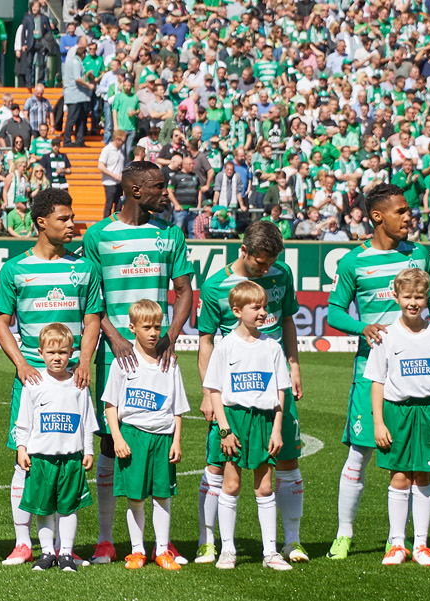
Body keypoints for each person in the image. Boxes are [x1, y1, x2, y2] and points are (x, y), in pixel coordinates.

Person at [324, 184, 430, 560]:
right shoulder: (352, 262)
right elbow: (333, 312)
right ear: (378, 216)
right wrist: (360, 327)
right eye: (401, 212)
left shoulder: (419, 254)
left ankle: (411, 540)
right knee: (361, 453)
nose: (409, 217)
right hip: (371, 372)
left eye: (409, 211)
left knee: (415, 458)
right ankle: (345, 533)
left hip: (415, 375)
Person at [82, 160, 195, 564]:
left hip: (158, 356)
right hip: (115, 356)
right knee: (114, 444)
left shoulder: (169, 235)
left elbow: (184, 291)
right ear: (134, 192)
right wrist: (113, 337)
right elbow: (90, 297)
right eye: (159, 187)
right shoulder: (98, 235)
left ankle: (161, 542)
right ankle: (107, 538)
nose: (167, 194)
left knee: (161, 441)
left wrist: (169, 337)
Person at [0, 188, 102, 565]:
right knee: (25, 459)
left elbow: (91, 320)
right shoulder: (15, 269)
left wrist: (84, 361)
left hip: (73, 381)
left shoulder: (84, 268)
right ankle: (23, 543)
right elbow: (0, 321)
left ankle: (63, 548)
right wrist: (21, 363)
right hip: (33, 383)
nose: (72, 225)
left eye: (72, 219)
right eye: (64, 219)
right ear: (41, 222)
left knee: (70, 458)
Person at [195, 221, 307, 564]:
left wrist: (294, 364)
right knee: (219, 466)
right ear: (243, 251)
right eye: (261, 262)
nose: (267, 268)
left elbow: (287, 320)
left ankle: (291, 542)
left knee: (286, 460)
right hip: (232, 396)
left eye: (272, 261)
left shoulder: (282, 273)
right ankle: (208, 541)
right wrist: (206, 391)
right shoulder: (216, 286)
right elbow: (206, 340)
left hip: (271, 386)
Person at [366, 267, 430, 567]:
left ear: (427, 297)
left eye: (419, 296)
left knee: (423, 475)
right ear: (396, 297)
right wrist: (378, 422)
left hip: (428, 410)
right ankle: (396, 544)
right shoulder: (386, 336)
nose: (413, 302)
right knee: (400, 476)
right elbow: (377, 382)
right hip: (397, 411)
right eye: (407, 297)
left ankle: (421, 544)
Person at [201, 280, 292, 571]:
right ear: (238, 311)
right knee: (231, 484)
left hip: (264, 421)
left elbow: (281, 391)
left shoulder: (272, 347)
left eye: (265, 306)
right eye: (257, 307)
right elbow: (214, 390)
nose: (263, 312)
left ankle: (270, 552)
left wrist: (277, 428)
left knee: (265, 487)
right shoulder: (225, 346)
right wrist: (224, 429)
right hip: (234, 420)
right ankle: (227, 550)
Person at [102, 299, 188, 570]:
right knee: (135, 497)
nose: (153, 333)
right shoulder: (123, 364)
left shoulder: (170, 364)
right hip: (133, 437)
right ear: (132, 328)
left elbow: (177, 408)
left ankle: (162, 550)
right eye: (147, 327)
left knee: (162, 495)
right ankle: (137, 550)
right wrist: (117, 437)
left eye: (157, 327)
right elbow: (110, 405)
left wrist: (176, 440)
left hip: (162, 438)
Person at [13, 322, 97, 572]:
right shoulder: (34, 383)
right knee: (44, 508)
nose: (57, 358)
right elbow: (24, 422)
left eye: (62, 352)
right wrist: (21, 448)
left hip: (70, 458)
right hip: (41, 458)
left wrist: (89, 449)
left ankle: (66, 553)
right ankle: (47, 552)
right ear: (41, 353)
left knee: (68, 508)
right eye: (51, 353)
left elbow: (87, 421)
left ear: (72, 352)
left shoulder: (79, 385)